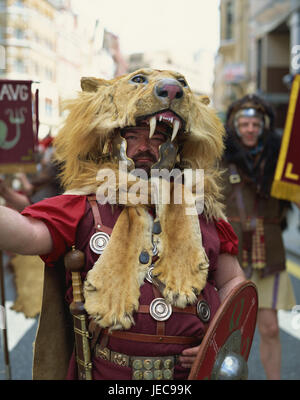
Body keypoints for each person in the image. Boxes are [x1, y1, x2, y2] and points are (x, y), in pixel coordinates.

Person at [0, 69, 246, 380]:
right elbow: (25, 234)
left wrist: (218, 341)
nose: (146, 146)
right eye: (133, 136)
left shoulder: (201, 210)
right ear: (111, 141)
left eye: (159, 137)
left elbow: (232, 281)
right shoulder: (86, 204)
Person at [222, 94, 296, 380]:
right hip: (231, 255)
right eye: (244, 124)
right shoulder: (218, 160)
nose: (250, 129)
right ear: (235, 126)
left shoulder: (280, 164)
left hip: (270, 251)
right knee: (225, 333)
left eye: (255, 123)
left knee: (270, 328)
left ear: (263, 126)